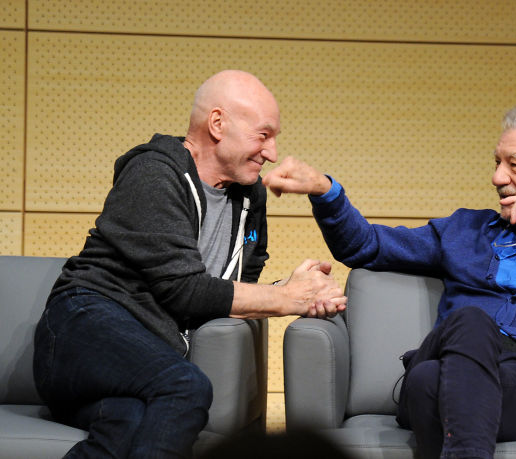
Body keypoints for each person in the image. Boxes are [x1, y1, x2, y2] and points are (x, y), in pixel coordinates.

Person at [262, 99, 516, 459]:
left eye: (513, 164)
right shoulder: (465, 230)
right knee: (469, 323)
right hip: (448, 352)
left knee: (432, 382)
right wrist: (324, 191)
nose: (497, 176)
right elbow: (366, 246)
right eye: (496, 162)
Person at [33, 70, 346, 458]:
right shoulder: (153, 173)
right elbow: (186, 290)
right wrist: (288, 298)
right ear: (217, 124)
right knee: (187, 386)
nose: (272, 153)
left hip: (142, 358)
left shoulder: (250, 197)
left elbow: (233, 286)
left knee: (126, 426)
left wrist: (298, 289)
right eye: (263, 135)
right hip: (82, 326)